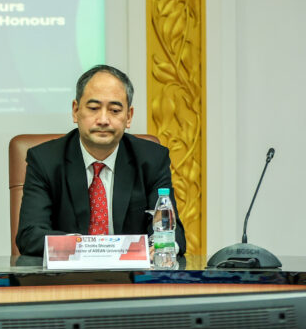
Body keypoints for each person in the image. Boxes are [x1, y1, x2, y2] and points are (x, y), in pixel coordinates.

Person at [14, 65, 187, 257]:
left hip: (132, 281)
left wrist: (161, 247)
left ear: (128, 117)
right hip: (66, 280)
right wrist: (85, 248)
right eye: (94, 108)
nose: (103, 119)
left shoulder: (152, 159)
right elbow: (30, 235)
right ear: (75, 110)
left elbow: (172, 234)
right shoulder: (45, 160)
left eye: (114, 110)